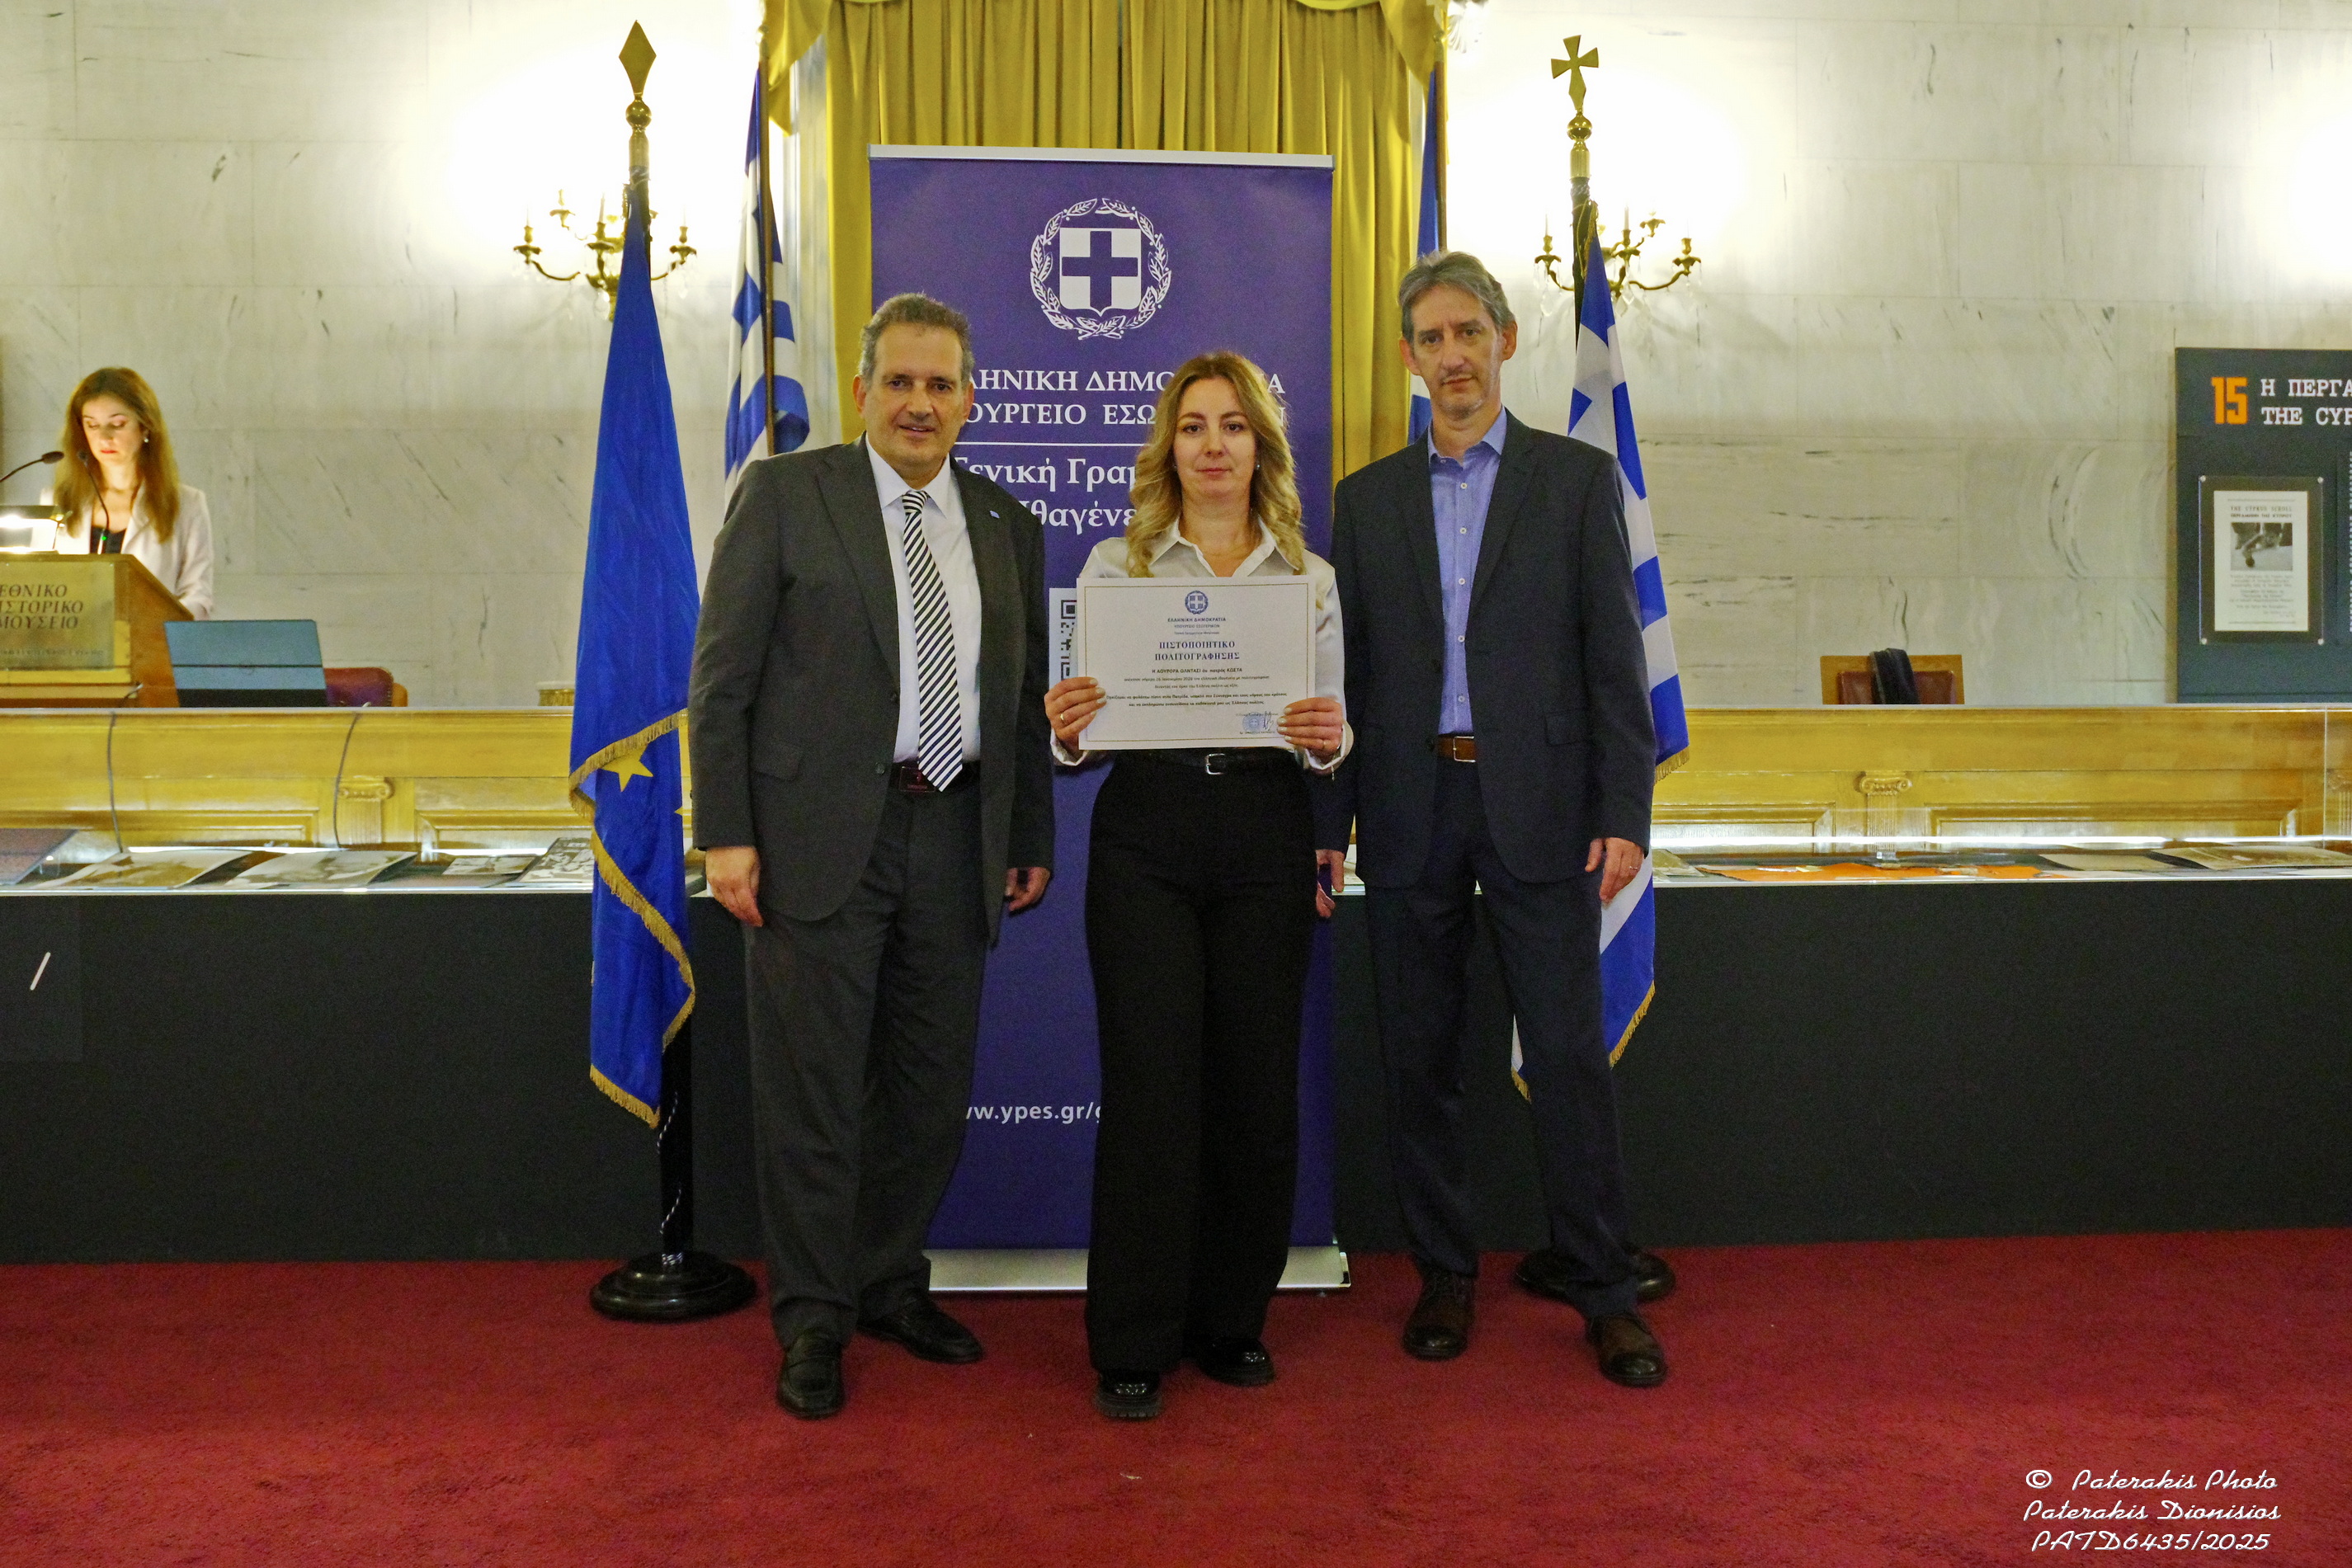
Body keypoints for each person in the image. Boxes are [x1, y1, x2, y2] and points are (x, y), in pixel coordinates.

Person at [688, 294, 1056, 1420]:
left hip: (955, 834)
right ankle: (812, 1317)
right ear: (860, 391)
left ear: (970, 400)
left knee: (927, 1090)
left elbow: (1019, 695)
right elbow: (723, 679)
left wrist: (1026, 834)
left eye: (940, 384)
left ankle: (888, 1282)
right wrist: (726, 832)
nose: (918, 404)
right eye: (899, 382)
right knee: (812, 1093)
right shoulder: (787, 496)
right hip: (813, 839)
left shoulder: (1004, 522)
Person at [1317, 252, 1671, 1388]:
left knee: (1567, 1057)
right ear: (1408, 358)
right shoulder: (1364, 501)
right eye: (1430, 338)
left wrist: (1624, 811)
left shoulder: (1574, 482)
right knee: (1420, 1061)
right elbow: (1347, 677)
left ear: (1506, 340)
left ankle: (1603, 1290)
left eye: (1468, 332)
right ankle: (1444, 1276)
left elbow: (1614, 662)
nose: (1452, 356)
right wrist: (1330, 818)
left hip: (1543, 809)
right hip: (1408, 805)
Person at [1043, 351, 1347, 1421]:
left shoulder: (1307, 578)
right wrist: (1067, 728)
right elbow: (1079, 738)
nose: (1213, 445)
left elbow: (1329, 735)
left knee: (1254, 1089)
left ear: (1260, 446)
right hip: (1148, 833)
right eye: (1192, 426)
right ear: (1167, 446)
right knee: (1151, 1089)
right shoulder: (1112, 566)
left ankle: (1230, 1320)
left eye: (1232, 425)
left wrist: (1329, 737)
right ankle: (1132, 1335)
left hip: (1264, 828)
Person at [53, 367, 214, 618]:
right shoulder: (57, 501)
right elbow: (41, 588)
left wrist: (152, 621)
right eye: (92, 425)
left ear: (145, 427)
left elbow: (198, 596)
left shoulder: (186, 504)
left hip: (152, 639)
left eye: (118, 424)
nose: (104, 437)